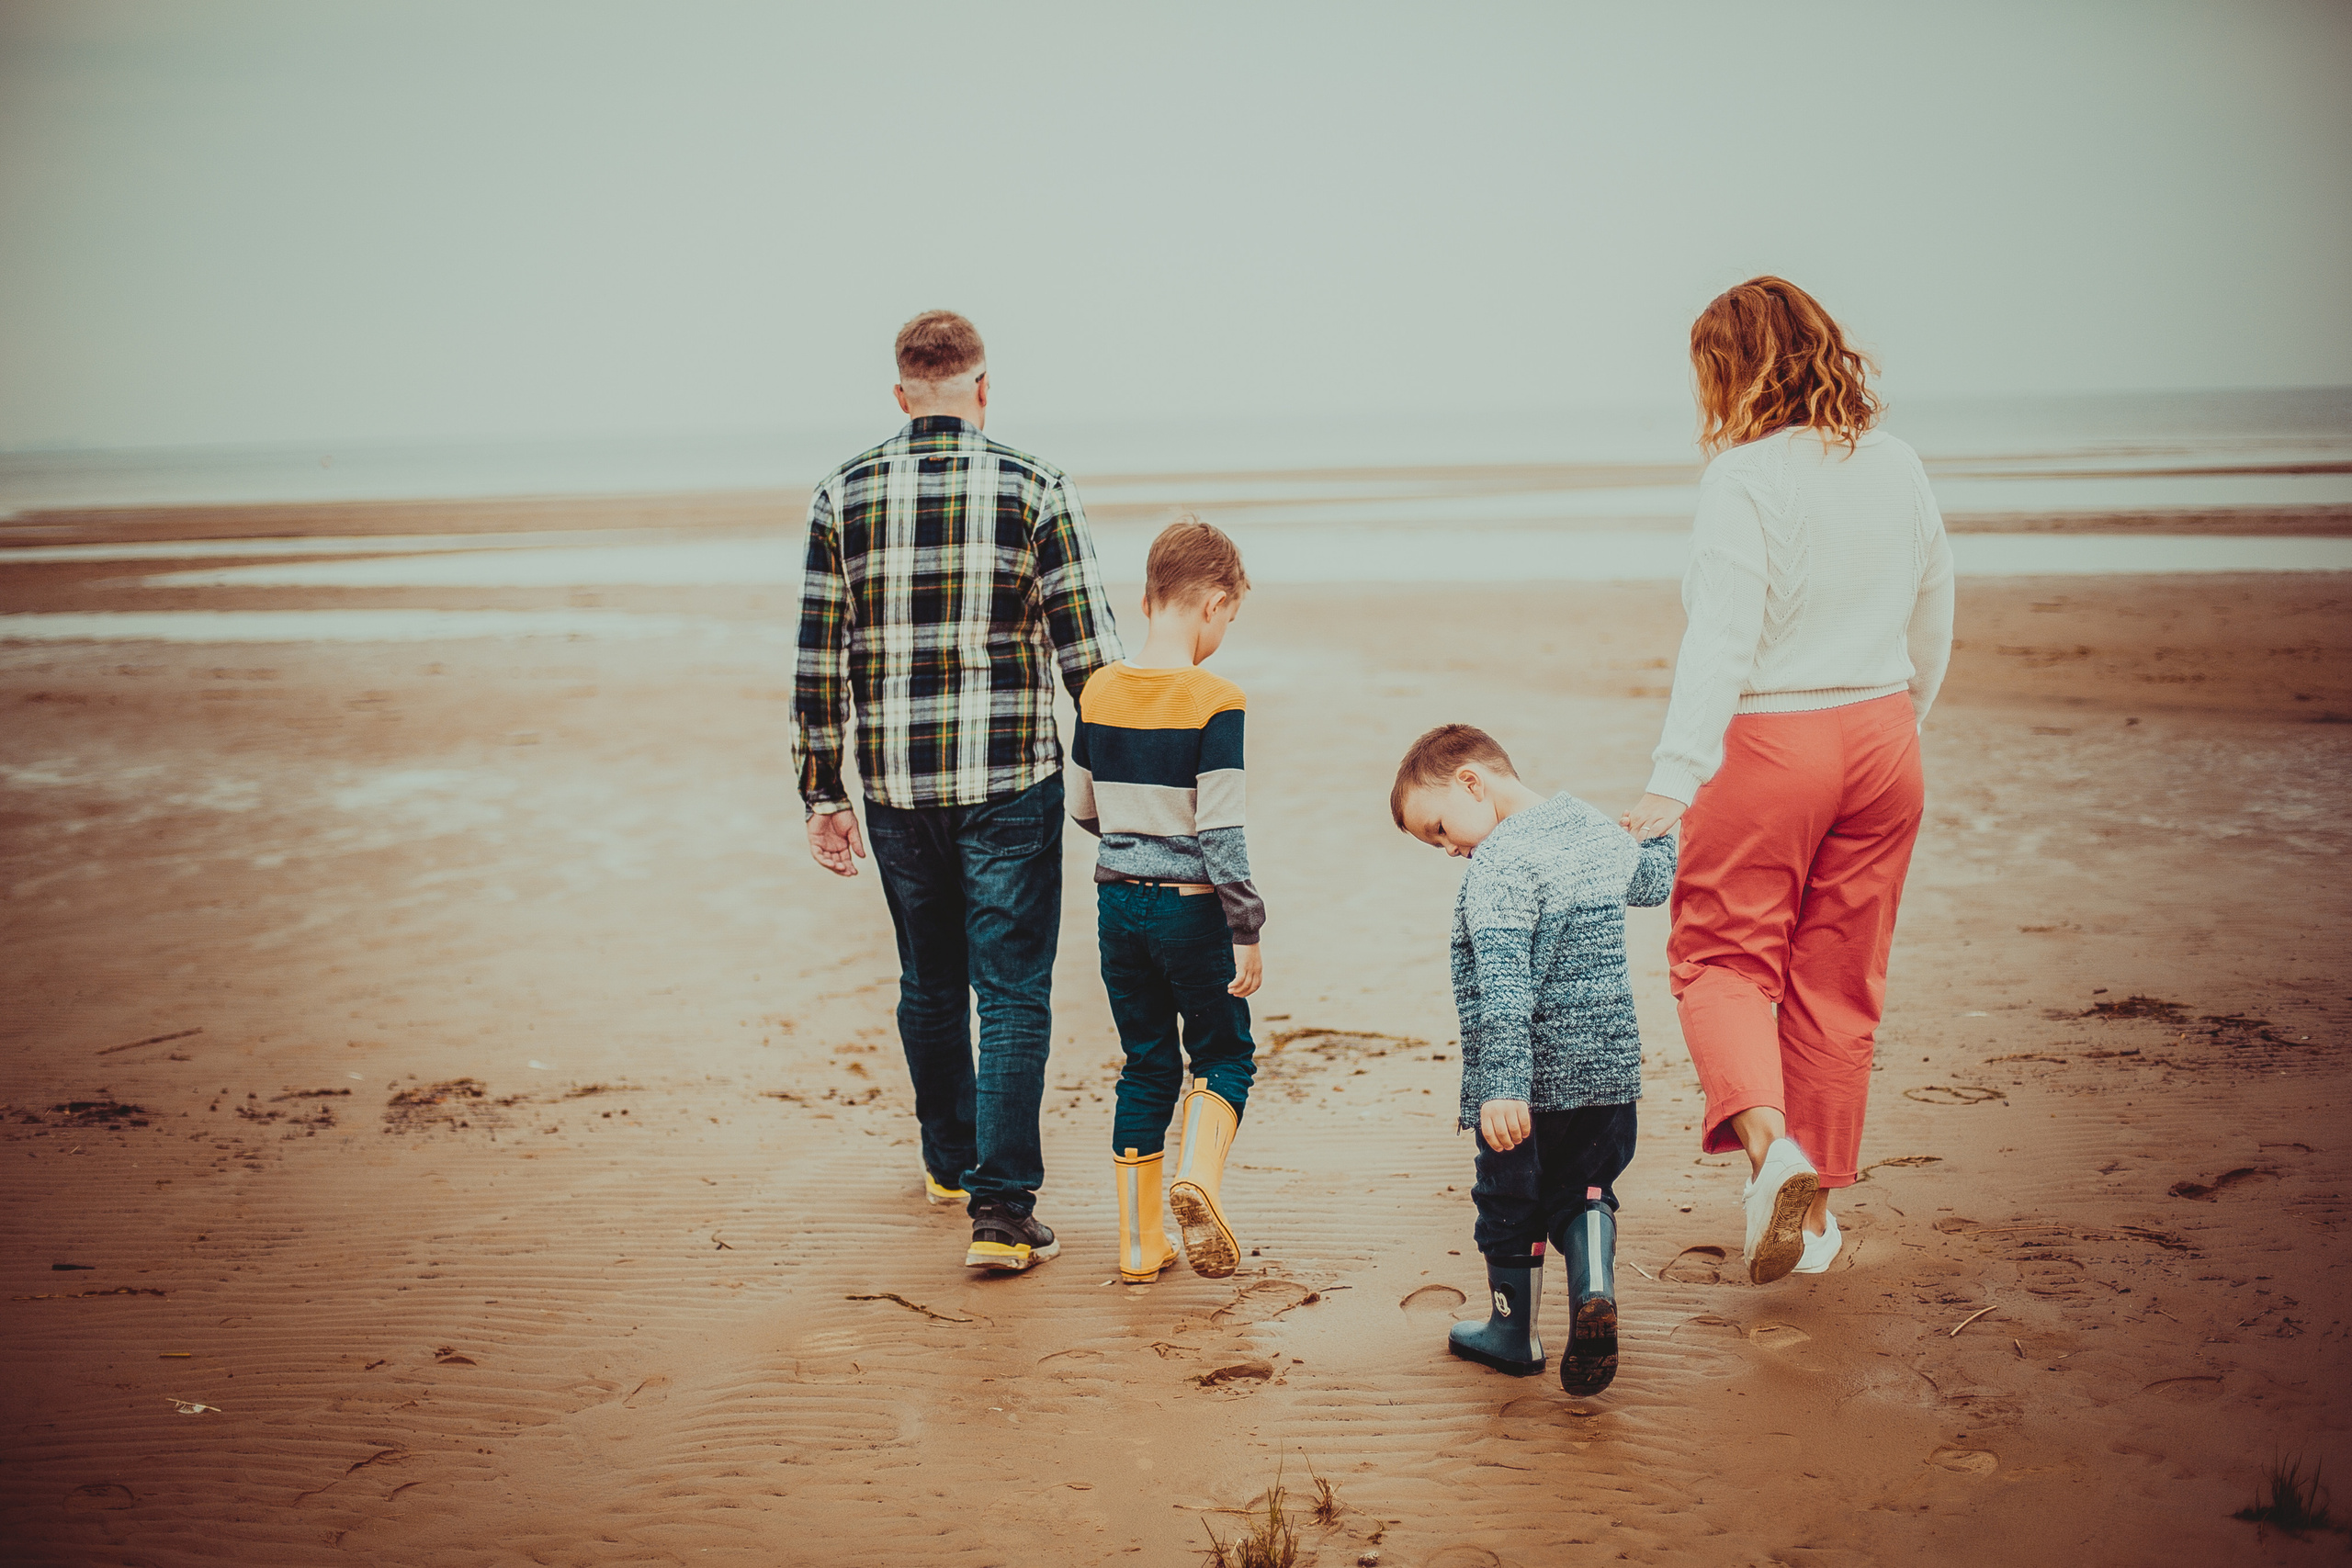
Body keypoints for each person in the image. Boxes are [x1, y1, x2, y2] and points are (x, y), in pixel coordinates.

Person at [1622, 276, 1954, 1286]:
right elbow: (1934, 601)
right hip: (1884, 735)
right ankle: (1816, 1227)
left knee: (1719, 958)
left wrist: (1671, 780)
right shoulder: (1895, 463)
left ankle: (1778, 1161)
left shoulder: (1744, 479)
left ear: (1734, 370)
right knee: (1837, 981)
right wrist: (1901, 721)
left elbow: (1721, 638)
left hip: (1772, 742)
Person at [792, 309, 1124, 1273]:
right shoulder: (1035, 486)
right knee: (1011, 991)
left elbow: (821, 656)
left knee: (928, 981)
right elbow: (1089, 655)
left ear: (901, 395)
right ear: (983, 390)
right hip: (1011, 778)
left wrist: (823, 789)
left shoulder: (841, 494)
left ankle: (948, 1162)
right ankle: (1003, 1211)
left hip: (896, 785)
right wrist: (1115, 778)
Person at [1393, 723, 1675, 1395]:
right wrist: (1659, 828)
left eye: (1438, 828)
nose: (1448, 847)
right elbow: (1655, 882)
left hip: (1529, 1085)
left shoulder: (1498, 865)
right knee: (1586, 1187)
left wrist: (1503, 1087)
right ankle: (1595, 1288)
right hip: (1610, 1072)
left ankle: (1512, 1334)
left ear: (1471, 782)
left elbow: (1507, 988)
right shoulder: (1593, 827)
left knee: (1508, 1199)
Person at [1069, 518, 1264, 1284]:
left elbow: (1081, 806)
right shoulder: (1216, 699)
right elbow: (1221, 828)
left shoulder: (1098, 688)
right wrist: (1245, 923)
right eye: (1231, 618)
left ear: (1148, 598)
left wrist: (1130, 831)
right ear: (1215, 604)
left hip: (1117, 910)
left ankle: (1139, 1246)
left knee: (1146, 1062)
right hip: (1192, 911)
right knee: (1224, 1054)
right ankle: (1200, 1180)